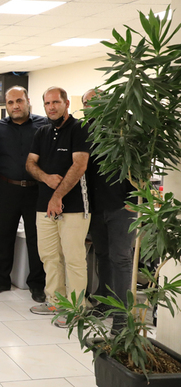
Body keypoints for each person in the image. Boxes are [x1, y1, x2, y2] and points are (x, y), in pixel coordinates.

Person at [26, 86, 90, 323]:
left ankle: (76, 309)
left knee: (73, 259)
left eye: (56, 102)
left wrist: (57, 196)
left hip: (74, 206)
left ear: (66, 104)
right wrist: (45, 178)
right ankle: (55, 301)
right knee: (49, 256)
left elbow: (80, 165)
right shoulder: (41, 132)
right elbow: (30, 164)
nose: (51, 107)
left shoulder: (79, 128)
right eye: (47, 103)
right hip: (44, 206)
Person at [0, 86, 47, 302]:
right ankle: (1, 280)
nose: (15, 106)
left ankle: (37, 284)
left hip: (36, 190)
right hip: (5, 189)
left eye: (19, 101)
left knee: (36, 238)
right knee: (3, 235)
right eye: (10, 102)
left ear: (27, 101)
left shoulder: (44, 125)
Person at [82, 89, 135, 324]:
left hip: (122, 206)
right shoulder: (83, 131)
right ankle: (105, 302)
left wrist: (136, 200)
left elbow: (139, 166)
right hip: (95, 207)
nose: (91, 106)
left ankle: (122, 314)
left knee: (120, 258)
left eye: (97, 101)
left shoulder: (124, 128)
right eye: (87, 103)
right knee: (102, 255)